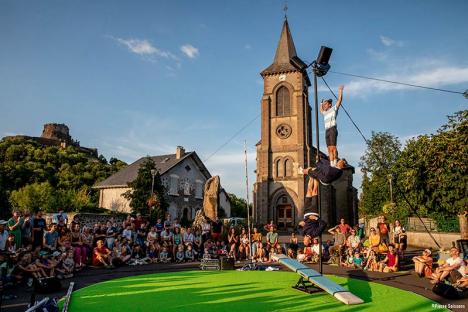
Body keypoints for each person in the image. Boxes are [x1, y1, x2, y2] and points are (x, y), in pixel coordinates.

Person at [320, 85, 344, 167]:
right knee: (329, 149)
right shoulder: (325, 113)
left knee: (333, 147)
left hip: (332, 129)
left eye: (326, 104)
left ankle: (334, 161)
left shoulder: (333, 109)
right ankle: (331, 163)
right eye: (324, 104)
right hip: (327, 130)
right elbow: (321, 110)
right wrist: (321, 103)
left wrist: (340, 91)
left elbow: (339, 101)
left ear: (330, 105)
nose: (324, 105)